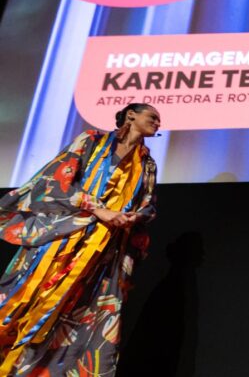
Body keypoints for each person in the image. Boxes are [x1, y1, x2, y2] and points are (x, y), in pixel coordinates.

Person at [0, 103, 160, 375]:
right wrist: (98, 209)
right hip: (64, 239)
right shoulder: (92, 141)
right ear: (131, 115)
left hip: (104, 252)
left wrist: (134, 216)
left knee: (85, 316)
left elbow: (149, 203)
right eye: (153, 117)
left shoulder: (147, 163)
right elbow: (55, 180)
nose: (158, 123)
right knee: (29, 300)